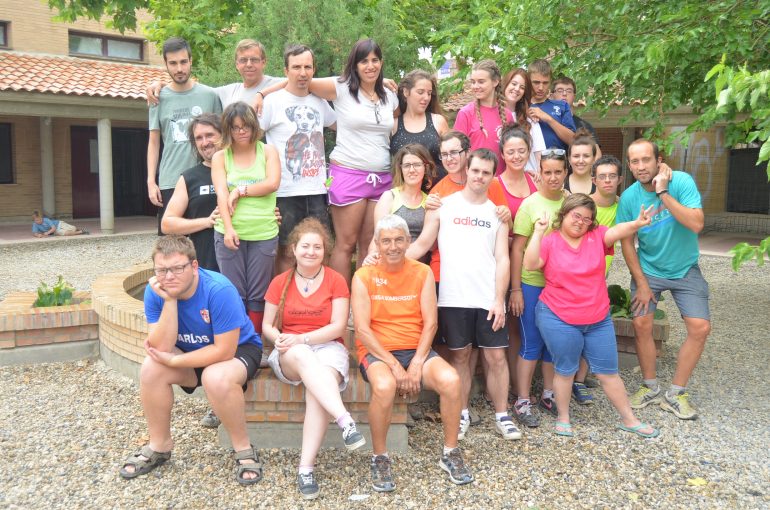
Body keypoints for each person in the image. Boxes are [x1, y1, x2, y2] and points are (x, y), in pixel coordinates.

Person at [119, 235, 263, 485]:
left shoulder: (219, 289)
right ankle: (160, 445)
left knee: (214, 376)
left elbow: (224, 351)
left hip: (238, 350)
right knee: (151, 368)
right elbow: (161, 347)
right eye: (162, 270)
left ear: (194, 266)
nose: (169, 276)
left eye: (177, 268)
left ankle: (243, 449)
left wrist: (175, 362)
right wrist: (170, 301)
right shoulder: (156, 292)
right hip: (190, 354)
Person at [352, 215, 473, 491]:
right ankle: (380, 457)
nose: (392, 246)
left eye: (398, 240)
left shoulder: (422, 272)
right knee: (384, 385)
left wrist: (417, 362)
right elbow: (362, 330)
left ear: (408, 242)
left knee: (451, 380)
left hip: (416, 348)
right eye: (386, 241)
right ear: (377, 245)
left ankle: (450, 452)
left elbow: (431, 322)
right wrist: (395, 366)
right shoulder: (363, 276)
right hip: (378, 351)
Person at [524, 194, 660, 438]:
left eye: (587, 219)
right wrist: (538, 232)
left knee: (609, 371)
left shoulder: (597, 237)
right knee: (565, 369)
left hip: (597, 318)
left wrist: (638, 223)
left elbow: (618, 231)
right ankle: (563, 417)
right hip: (558, 316)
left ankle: (629, 419)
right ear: (564, 214)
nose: (580, 222)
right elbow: (531, 264)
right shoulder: (550, 240)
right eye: (576, 216)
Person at [407, 149, 517, 442]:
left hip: (487, 298)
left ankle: (502, 415)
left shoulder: (498, 214)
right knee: (461, 357)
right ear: (466, 171)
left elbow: (503, 259)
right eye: (476, 170)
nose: (479, 177)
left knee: (496, 357)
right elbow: (422, 244)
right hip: (453, 297)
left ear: (493, 176)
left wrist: (499, 298)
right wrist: (384, 261)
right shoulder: (443, 206)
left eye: (486, 172)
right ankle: (463, 412)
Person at [262, 218, 365, 500]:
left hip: (329, 346)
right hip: (291, 353)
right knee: (303, 355)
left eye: (317, 247)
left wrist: (303, 337)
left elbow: (338, 327)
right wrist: (279, 338)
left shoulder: (335, 280)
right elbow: (267, 325)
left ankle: (305, 469)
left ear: (325, 251)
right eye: (305, 246)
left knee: (319, 392)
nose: (310, 251)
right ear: (294, 249)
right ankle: (345, 421)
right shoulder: (280, 282)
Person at [618, 139, 710, 420]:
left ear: (658, 160)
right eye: (634, 161)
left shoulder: (681, 182)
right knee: (641, 324)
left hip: (685, 268)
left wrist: (664, 193)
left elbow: (696, 223)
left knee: (700, 327)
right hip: (650, 270)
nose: (640, 166)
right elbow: (626, 243)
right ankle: (650, 387)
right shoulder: (630, 197)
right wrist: (642, 283)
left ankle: (676, 393)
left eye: (646, 159)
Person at [260, 44, 337, 273]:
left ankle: (316, 303)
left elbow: (342, 126)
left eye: (307, 67)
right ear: (286, 71)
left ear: (313, 70)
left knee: (321, 249)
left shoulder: (319, 102)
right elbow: (251, 142)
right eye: (296, 67)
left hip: (316, 191)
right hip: (284, 191)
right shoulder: (272, 103)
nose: (302, 73)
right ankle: (285, 304)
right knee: (286, 252)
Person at [211, 102, 280, 340]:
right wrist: (228, 229)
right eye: (235, 127)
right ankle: (237, 341)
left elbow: (272, 183)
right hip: (230, 232)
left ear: (254, 126)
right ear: (227, 130)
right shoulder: (221, 157)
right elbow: (221, 193)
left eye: (246, 126)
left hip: (264, 231)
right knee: (234, 292)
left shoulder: (268, 151)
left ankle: (255, 341)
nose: (241, 132)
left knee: (259, 294)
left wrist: (240, 190)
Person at [510, 148, 568, 428]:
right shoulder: (530, 205)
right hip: (532, 284)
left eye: (558, 172)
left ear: (565, 173)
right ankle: (522, 399)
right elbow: (517, 249)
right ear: (539, 174)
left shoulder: (571, 203)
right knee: (531, 341)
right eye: (548, 172)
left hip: (560, 287)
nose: (553, 177)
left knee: (552, 344)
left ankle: (548, 393)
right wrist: (515, 290)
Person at [147, 37, 222, 234]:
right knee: (171, 246)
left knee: (206, 239)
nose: (179, 68)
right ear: (166, 64)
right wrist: (150, 181)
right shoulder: (157, 98)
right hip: (170, 180)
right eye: (173, 63)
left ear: (190, 61)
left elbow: (223, 139)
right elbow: (154, 142)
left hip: (207, 179)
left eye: (183, 62)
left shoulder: (210, 95)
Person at [496, 126, 538, 397]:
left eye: (521, 150)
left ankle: (526, 384)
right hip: (504, 263)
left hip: (533, 264)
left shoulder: (537, 181)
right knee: (509, 327)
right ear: (502, 153)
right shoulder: (494, 185)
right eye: (510, 151)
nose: (516, 155)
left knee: (528, 324)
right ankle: (508, 384)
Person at [161, 113, 222, 272]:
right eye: (199, 138)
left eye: (210, 135)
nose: (205, 142)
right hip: (205, 269)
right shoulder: (189, 178)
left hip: (242, 263)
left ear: (224, 135)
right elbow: (167, 224)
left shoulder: (242, 170)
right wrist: (207, 222)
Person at [147, 39, 281, 108]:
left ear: (264, 62)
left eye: (254, 60)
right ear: (236, 64)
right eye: (243, 60)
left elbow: (294, 79)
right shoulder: (230, 91)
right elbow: (196, 90)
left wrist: (261, 94)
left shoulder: (276, 84)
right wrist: (162, 84)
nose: (249, 64)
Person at [368, 144, 436, 258]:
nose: (412, 170)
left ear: (426, 167)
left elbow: (432, 246)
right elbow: (377, 237)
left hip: (419, 267)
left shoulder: (430, 201)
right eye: (407, 165)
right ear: (401, 168)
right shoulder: (389, 197)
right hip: (389, 261)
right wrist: (371, 256)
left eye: (417, 165)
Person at [390, 69, 450, 184]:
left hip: (438, 191)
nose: (426, 98)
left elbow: (451, 155)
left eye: (429, 93)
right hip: (406, 195)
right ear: (406, 92)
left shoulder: (438, 121)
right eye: (420, 92)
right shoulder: (393, 125)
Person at [454, 59, 513, 173]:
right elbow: (458, 155)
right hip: (475, 183)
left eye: (481, 82)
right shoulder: (465, 114)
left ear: (495, 82)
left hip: (500, 184)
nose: (475, 86)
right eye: (473, 82)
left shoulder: (507, 115)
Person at [501, 68, 546, 176]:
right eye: (514, 84)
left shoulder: (530, 120)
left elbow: (539, 153)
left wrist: (540, 175)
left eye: (522, 87)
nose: (517, 89)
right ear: (506, 84)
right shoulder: (493, 116)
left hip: (530, 178)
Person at [527, 59, 576, 151]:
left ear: (550, 82)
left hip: (557, 163)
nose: (541, 88)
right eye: (536, 82)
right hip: (527, 164)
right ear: (528, 81)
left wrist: (548, 119)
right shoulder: (520, 106)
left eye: (545, 83)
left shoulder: (562, 106)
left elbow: (573, 141)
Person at [551, 75, 601, 154]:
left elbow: (597, 155)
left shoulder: (584, 126)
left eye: (569, 91)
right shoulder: (544, 121)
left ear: (574, 96)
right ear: (552, 95)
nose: (564, 94)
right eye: (560, 90)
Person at [565, 128, 599, 195]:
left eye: (586, 156)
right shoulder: (560, 185)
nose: (581, 161)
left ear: (594, 158)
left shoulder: (600, 185)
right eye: (576, 156)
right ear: (569, 159)